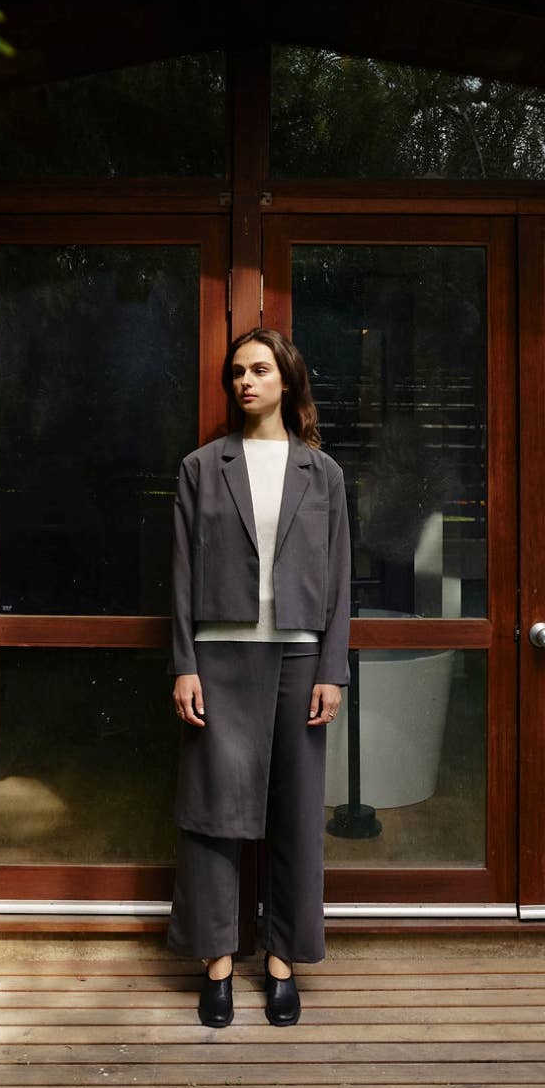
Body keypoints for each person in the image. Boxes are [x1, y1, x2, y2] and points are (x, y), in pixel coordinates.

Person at [166, 327, 351, 1028]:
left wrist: (332, 669)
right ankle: (215, 964)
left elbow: (340, 580)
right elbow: (180, 576)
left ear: (287, 380)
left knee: (297, 817)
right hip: (218, 658)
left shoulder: (322, 474)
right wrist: (185, 664)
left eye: (260, 370)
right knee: (211, 815)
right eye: (237, 372)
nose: (245, 381)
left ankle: (281, 963)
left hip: (300, 659)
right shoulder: (201, 467)